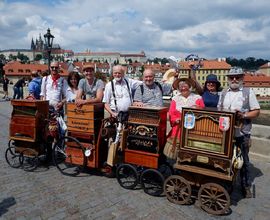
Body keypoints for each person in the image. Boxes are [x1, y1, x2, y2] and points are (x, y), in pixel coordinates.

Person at [217, 67, 260, 198]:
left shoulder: (248, 92)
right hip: (226, 132)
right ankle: (227, 183)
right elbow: (219, 109)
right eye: (231, 77)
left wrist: (244, 115)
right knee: (226, 159)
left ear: (242, 78)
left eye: (237, 77)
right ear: (228, 79)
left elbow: (256, 111)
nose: (234, 79)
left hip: (243, 132)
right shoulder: (224, 92)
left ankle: (245, 185)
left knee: (244, 160)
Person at [102, 65, 141, 171]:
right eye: (115, 73)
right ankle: (112, 163)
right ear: (112, 74)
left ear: (123, 73)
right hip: (116, 117)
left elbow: (143, 83)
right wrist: (112, 113)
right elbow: (105, 103)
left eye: (119, 73)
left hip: (129, 115)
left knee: (128, 139)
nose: (117, 75)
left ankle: (127, 162)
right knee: (116, 140)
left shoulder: (129, 81)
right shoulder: (109, 85)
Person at [163, 78, 205, 161]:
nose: (183, 88)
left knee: (191, 148)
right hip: (178, 128)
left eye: (185, 87)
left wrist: (198, 109)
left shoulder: (197, 98)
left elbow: (203, 112)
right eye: (181, 87)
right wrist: (176, 119)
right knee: (177, 148)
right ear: (178, 89)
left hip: (193, 128)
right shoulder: (175, 99)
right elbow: (171, 113)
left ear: (189, 87)